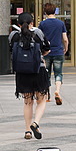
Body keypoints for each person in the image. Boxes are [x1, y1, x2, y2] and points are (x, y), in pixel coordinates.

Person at [9, 12, 51, 140]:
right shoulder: (37, 33)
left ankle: (27, 131)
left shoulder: (13, 35)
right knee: (42, 99)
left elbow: (11, 50)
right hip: (38, 70)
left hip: (22, 72)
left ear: (18, 24)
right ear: (32, 22)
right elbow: (46, 48)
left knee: (27, 102)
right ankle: (36, 123)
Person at [39, 3, 69, 106]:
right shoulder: (60, 23)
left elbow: (40, 38)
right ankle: (57, 91)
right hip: (58, 51)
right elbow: (65, 39)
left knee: (46, 74)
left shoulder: (42, 24)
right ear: (55, 11)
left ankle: (47, 95)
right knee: (58, 73)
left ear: (45, 12)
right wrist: (66, 48)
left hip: (46, 52)